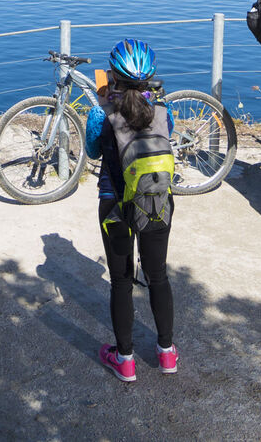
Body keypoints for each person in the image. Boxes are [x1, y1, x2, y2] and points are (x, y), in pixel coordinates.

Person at [85, 39, 177, 382]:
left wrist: (103, 105)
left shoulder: (102, 113)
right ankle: (167, 354)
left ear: (113, 75)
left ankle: (125, 360)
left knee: (121, 282)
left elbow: (93, 151)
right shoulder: (164, 109)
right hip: (156, 203)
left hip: (113, 205)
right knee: (159, 276)